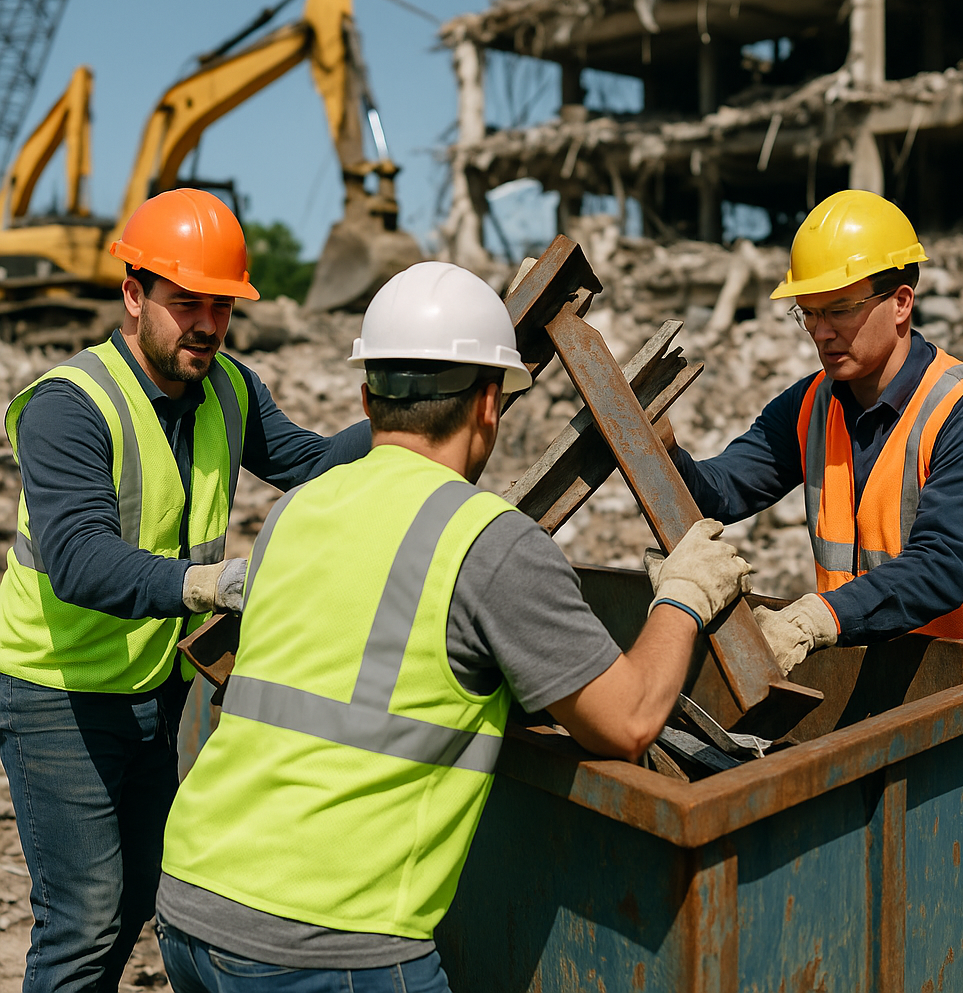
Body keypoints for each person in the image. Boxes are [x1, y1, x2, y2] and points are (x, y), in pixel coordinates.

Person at [154, 260, 752, 993]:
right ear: (490, 404)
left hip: (190, 901)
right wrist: (684, 599)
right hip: (322, 939)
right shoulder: (488, 542)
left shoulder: (297, 511)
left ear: (368, 398)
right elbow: (625, 722)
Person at [0, 188, 372, 993]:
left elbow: (310, 469)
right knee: (85, 920)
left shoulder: (230, 389)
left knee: (139, 899)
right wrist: (213, 583)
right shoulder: (70, 407)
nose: (207, 323)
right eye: (186, 302)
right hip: (57, 691)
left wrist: (411, 401)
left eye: (221, 306)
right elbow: (79, 559)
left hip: (155, 688)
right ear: (133, 297)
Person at [670, 189, 963, 673]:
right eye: (808, 313)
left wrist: (819, 616)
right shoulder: (811, 404)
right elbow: (722, 491)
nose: (820, 332)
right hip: (880, 673)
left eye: (839, 310)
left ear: (901, 303)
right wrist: (661, 451)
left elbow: (942, 563)